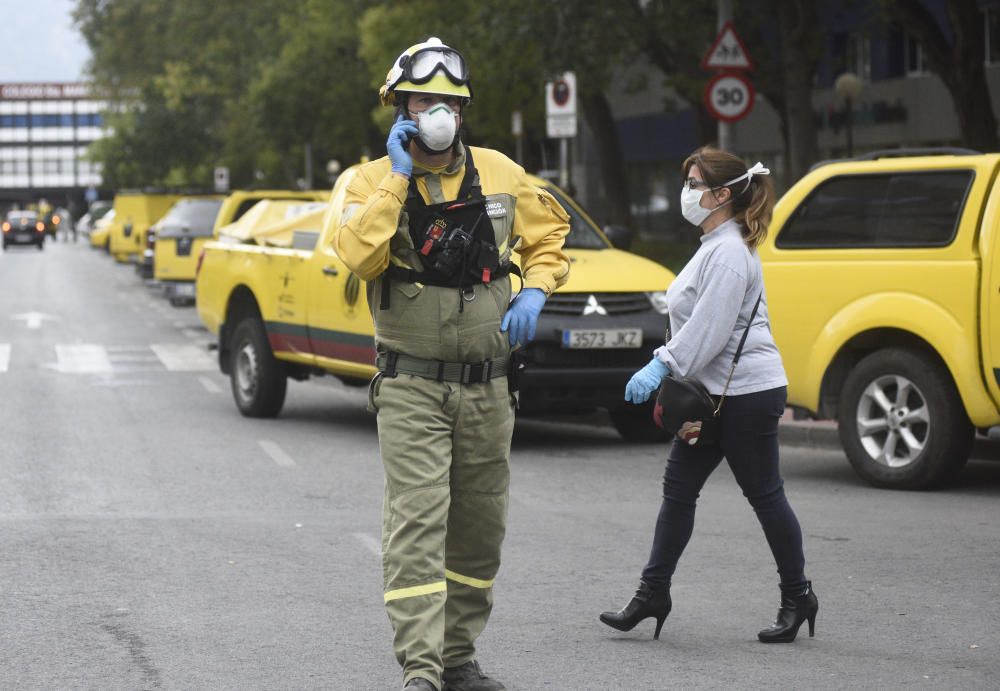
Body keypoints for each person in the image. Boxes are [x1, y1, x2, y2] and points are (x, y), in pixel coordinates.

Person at [331, 37, 570, 691]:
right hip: (412, 383)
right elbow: (357, 254)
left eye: (448, 102)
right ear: (400, 109)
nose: (437, 111)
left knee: (479, 531)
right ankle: (423, 667)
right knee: (416, 523)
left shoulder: (499, 172)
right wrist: (399, 177)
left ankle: (459, 655)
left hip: (490, 386)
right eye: (423, 100)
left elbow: (550, 233)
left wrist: (537, 288)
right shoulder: (365, 182)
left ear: (462, 111)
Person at [599, 146, 818, 644]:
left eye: (694, 184)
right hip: (711, 394)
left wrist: (662, 364)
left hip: (747, 394)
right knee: (679, 492)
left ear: (722, 194)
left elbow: (712, 329)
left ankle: (797, 596)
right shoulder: (715, 244)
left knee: (764, 495)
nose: (687, 193)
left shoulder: (729, 254)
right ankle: (653, 593)